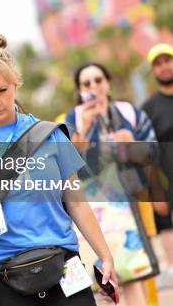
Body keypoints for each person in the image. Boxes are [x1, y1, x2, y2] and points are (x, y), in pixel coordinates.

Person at [0, 33, 115, 306]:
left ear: (16, 85)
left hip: (64, 264)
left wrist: (105, 255)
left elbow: (77, 203)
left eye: (2, 90)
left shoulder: (50, 135)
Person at [65, 62, 158, 306]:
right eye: (86, 83)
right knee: (105, 283)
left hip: (129, 205)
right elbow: (67, 166)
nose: (93, 86)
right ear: (79, 90)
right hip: (92, 212)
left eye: (98, 80)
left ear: (107, 83)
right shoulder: (72, 119)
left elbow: (150, 154)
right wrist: (83, 132)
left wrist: (130, 144)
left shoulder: (127, 114)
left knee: (135, 274)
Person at [142, 43, 173, 288]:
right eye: (158, 63)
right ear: (153, 70)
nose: (164, 67)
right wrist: (156, 192)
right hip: (168, 183)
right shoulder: (149, 109)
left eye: (168, 60)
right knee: (167, 229)